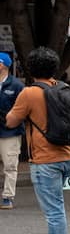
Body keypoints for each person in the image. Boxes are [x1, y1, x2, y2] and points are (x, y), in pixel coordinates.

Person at [5, 47, 70, 234]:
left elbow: (11, 121)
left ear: (30, 68)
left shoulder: (30, 93)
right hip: (67, 155)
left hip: (45, 159)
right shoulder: (63, 88)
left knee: (53, 209)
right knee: (58, 205)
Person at [0, 52, 25, 209]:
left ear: (3, 65)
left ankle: (8, 197)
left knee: (10, 165)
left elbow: (22, 110)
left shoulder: (16, 86)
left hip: (10, 133)